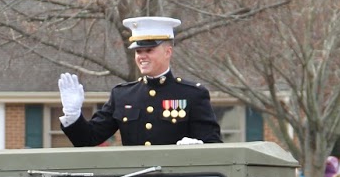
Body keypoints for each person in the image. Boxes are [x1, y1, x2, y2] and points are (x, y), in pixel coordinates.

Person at [57, 16, 222, 146]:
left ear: (168, 52)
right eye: (138, 51)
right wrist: (73, 116)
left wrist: (199, 147)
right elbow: (88, 139)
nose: (142, 56)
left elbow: (213, 144)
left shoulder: (192, 94)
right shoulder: (122, 95)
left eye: (149, 50)